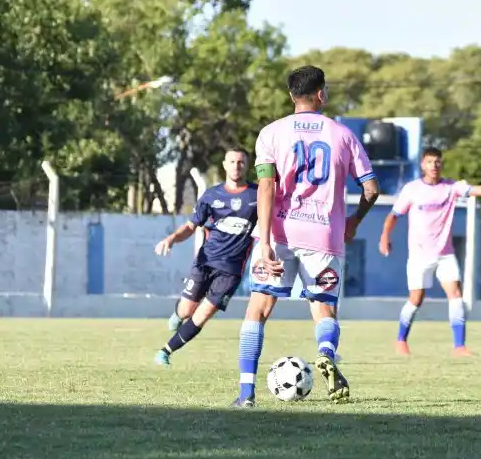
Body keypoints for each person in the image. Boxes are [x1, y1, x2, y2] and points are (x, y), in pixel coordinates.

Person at [232, 65, 381, 408]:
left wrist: (265, 239)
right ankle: (326, 352)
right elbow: (371, 189)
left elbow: (267, 186)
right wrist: (355, 220)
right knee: (324, 309)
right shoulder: (342, 135)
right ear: (321, 94)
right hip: (324, 236)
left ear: (290, 95)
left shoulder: (271, 133)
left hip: (281, 232)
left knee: (258, 309)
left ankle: (245, 394)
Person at [378, 147, 481, 356]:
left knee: (456, 295)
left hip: (445, 253)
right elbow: (393, 216)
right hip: (419, 255)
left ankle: (459, 346)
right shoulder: (412, 189)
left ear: (441, 164)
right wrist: (384, 237)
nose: (434, 166)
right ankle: (401, 341)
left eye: (437, 162)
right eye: (430, 162)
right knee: (416, 298)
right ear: (423, 165)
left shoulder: (451, 187)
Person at [153, 148, 257, 366]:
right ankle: (179, 315)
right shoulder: (211, 195)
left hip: (231, 270)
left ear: (246, 165)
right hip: (205, 262)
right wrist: (171, 239)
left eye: (241, 162)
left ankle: (165, 352)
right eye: (232, 161)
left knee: (203, 314)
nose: (236, 166)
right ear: (224, 165)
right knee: (186, 310)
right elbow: (192, 226)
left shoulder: (257, 196)